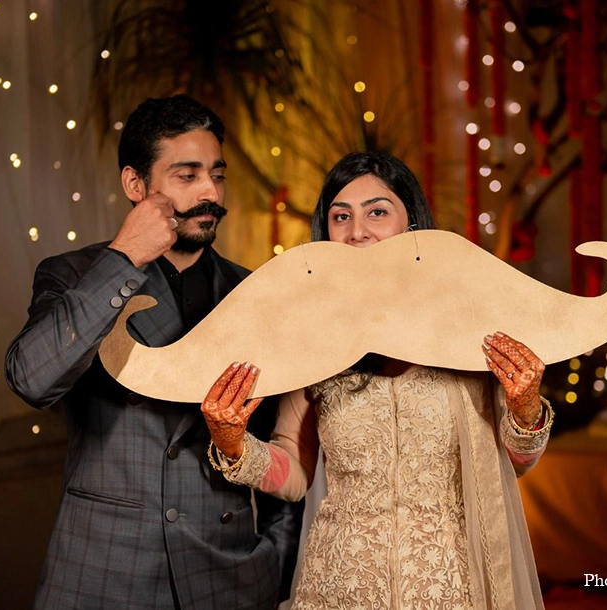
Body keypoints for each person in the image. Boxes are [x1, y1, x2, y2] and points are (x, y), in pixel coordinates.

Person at [201, 151, 550, 609]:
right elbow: (296, 473)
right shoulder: (311, 339)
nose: (357, 231)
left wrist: (526, 409)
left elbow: (515, 463)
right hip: (340, 586)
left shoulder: (465, 329)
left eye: (377, 212)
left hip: (449, 587)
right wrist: (233, 446)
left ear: (411, 225)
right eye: (341, 216)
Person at [4, 94, 304, 610]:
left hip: (229, 580)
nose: (210, 191)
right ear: (135, 185)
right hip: (106, 573)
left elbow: (285, 444)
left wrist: (274, 563)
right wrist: (125, 257)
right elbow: (31, 379)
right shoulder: (73, 274)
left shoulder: (257, 294)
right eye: (187, 175)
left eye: (217, 174)